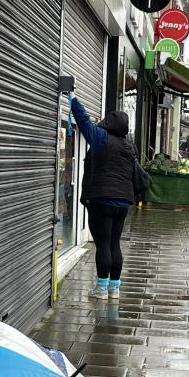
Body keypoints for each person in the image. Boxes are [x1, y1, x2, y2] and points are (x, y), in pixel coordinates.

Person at [69, 93, 145, 300]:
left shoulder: (102, 138)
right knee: (114, 243)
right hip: (123, 202)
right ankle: (114, 289)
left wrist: (74, 99)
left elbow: (84, 121)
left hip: (101, 200)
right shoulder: (130, 146)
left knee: (102, 245)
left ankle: (101, 289)